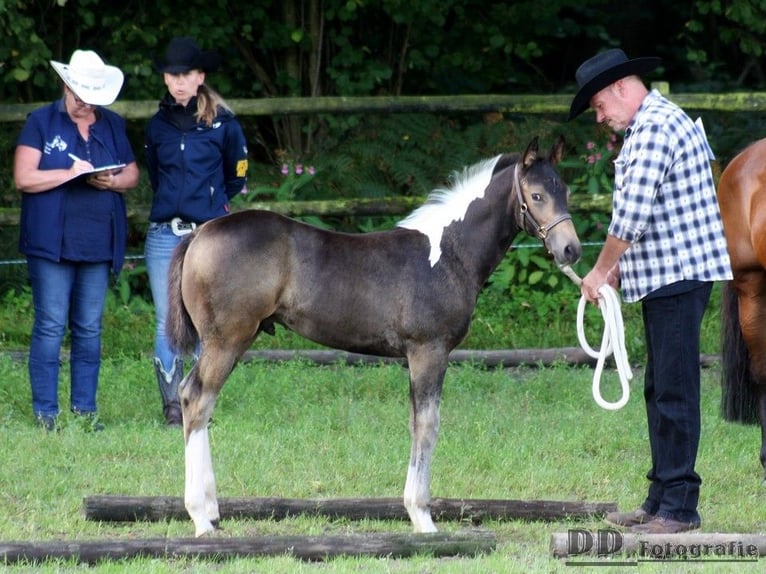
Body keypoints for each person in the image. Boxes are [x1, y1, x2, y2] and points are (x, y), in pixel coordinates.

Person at [568, 49, 733, 534]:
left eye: (598, 106)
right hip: (669, 275)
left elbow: (632, 216)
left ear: (620, 87)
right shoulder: (649, 125)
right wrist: (617, 269)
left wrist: (600, 272)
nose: (600, 118)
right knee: (661, 387)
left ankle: (680, 505)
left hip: (678, 276)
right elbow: (647, 215)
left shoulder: (656, 127)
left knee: (675, 390)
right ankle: (661, 496)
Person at [14, 49, 140, 431]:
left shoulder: (112, 124)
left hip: (98, 242)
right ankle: (46, 413)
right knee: (51, 325)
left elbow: (132, 172)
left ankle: (85, 410)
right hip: (51, 242)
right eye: (78, 93)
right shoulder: (41, 121)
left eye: (91, 96)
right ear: (65, 85)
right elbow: (24, 177)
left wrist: (114, 181)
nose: (84, 102)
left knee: (89, 327)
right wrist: (67, 174)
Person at [145, 37, 249, 426]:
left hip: (209, 234)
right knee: (166, 318)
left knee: (208, 318)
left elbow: (236, 175)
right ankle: (172, 403)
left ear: (200, 76)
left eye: (186, 74)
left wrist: (210, 204)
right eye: (172, 75)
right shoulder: (157, 127)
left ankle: (201, 397)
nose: (178, 82)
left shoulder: (224, 124)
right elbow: (156, 174)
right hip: (164, 234)